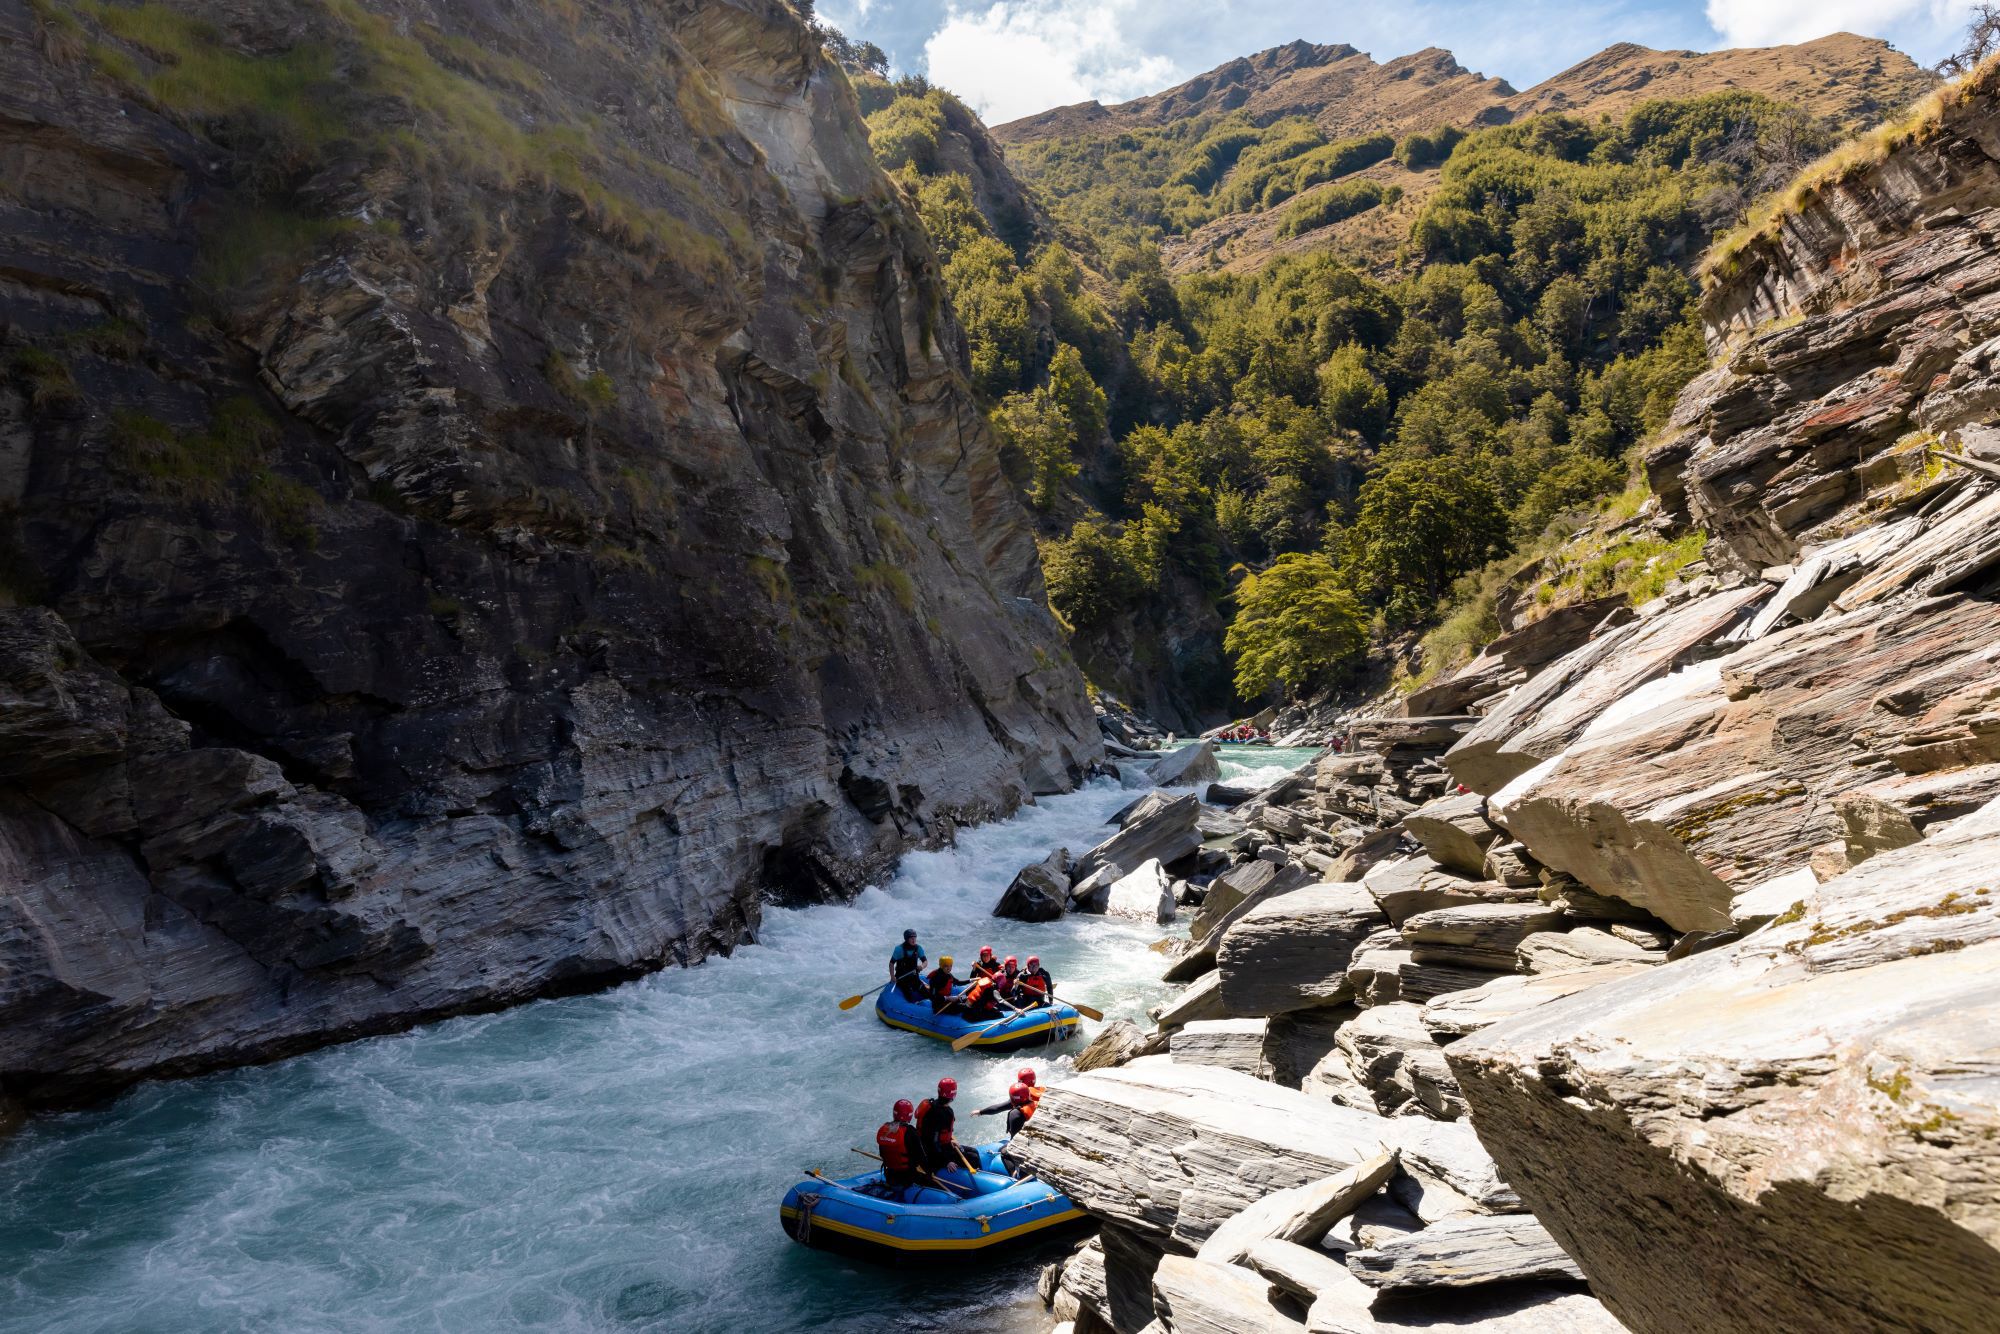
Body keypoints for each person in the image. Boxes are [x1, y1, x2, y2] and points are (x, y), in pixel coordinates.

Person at [915, 1077, 963, 1174]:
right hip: (934, 1155)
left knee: (971, 1151)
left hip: (925, 1149)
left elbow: (935, 1135)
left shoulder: (931, 1105)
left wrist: (950, 1140)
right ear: (953, 1094)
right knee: (973, 1156)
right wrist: (947, 1161)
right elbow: (933, 1141)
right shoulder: (945, 1113)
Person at [875, 1099, 922, 1191]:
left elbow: (882, 1154)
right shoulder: (911, 1132)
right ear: (909, 1115)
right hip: (908, 1178)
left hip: (890, 1176)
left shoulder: (885, 1129)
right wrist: (929, 1173)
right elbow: (921, 1157)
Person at [888, 929, 927, 1002]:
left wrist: (921, 966)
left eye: (915, 937)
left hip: (914, 977)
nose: (913, 940)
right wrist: (892, 977)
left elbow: (925, 961)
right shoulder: (899, 949)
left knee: (926, 993)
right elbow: (891, 963)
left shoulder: (918, 948)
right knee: (909, 997)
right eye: (911, 938)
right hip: (902, 978)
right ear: (906, 939)